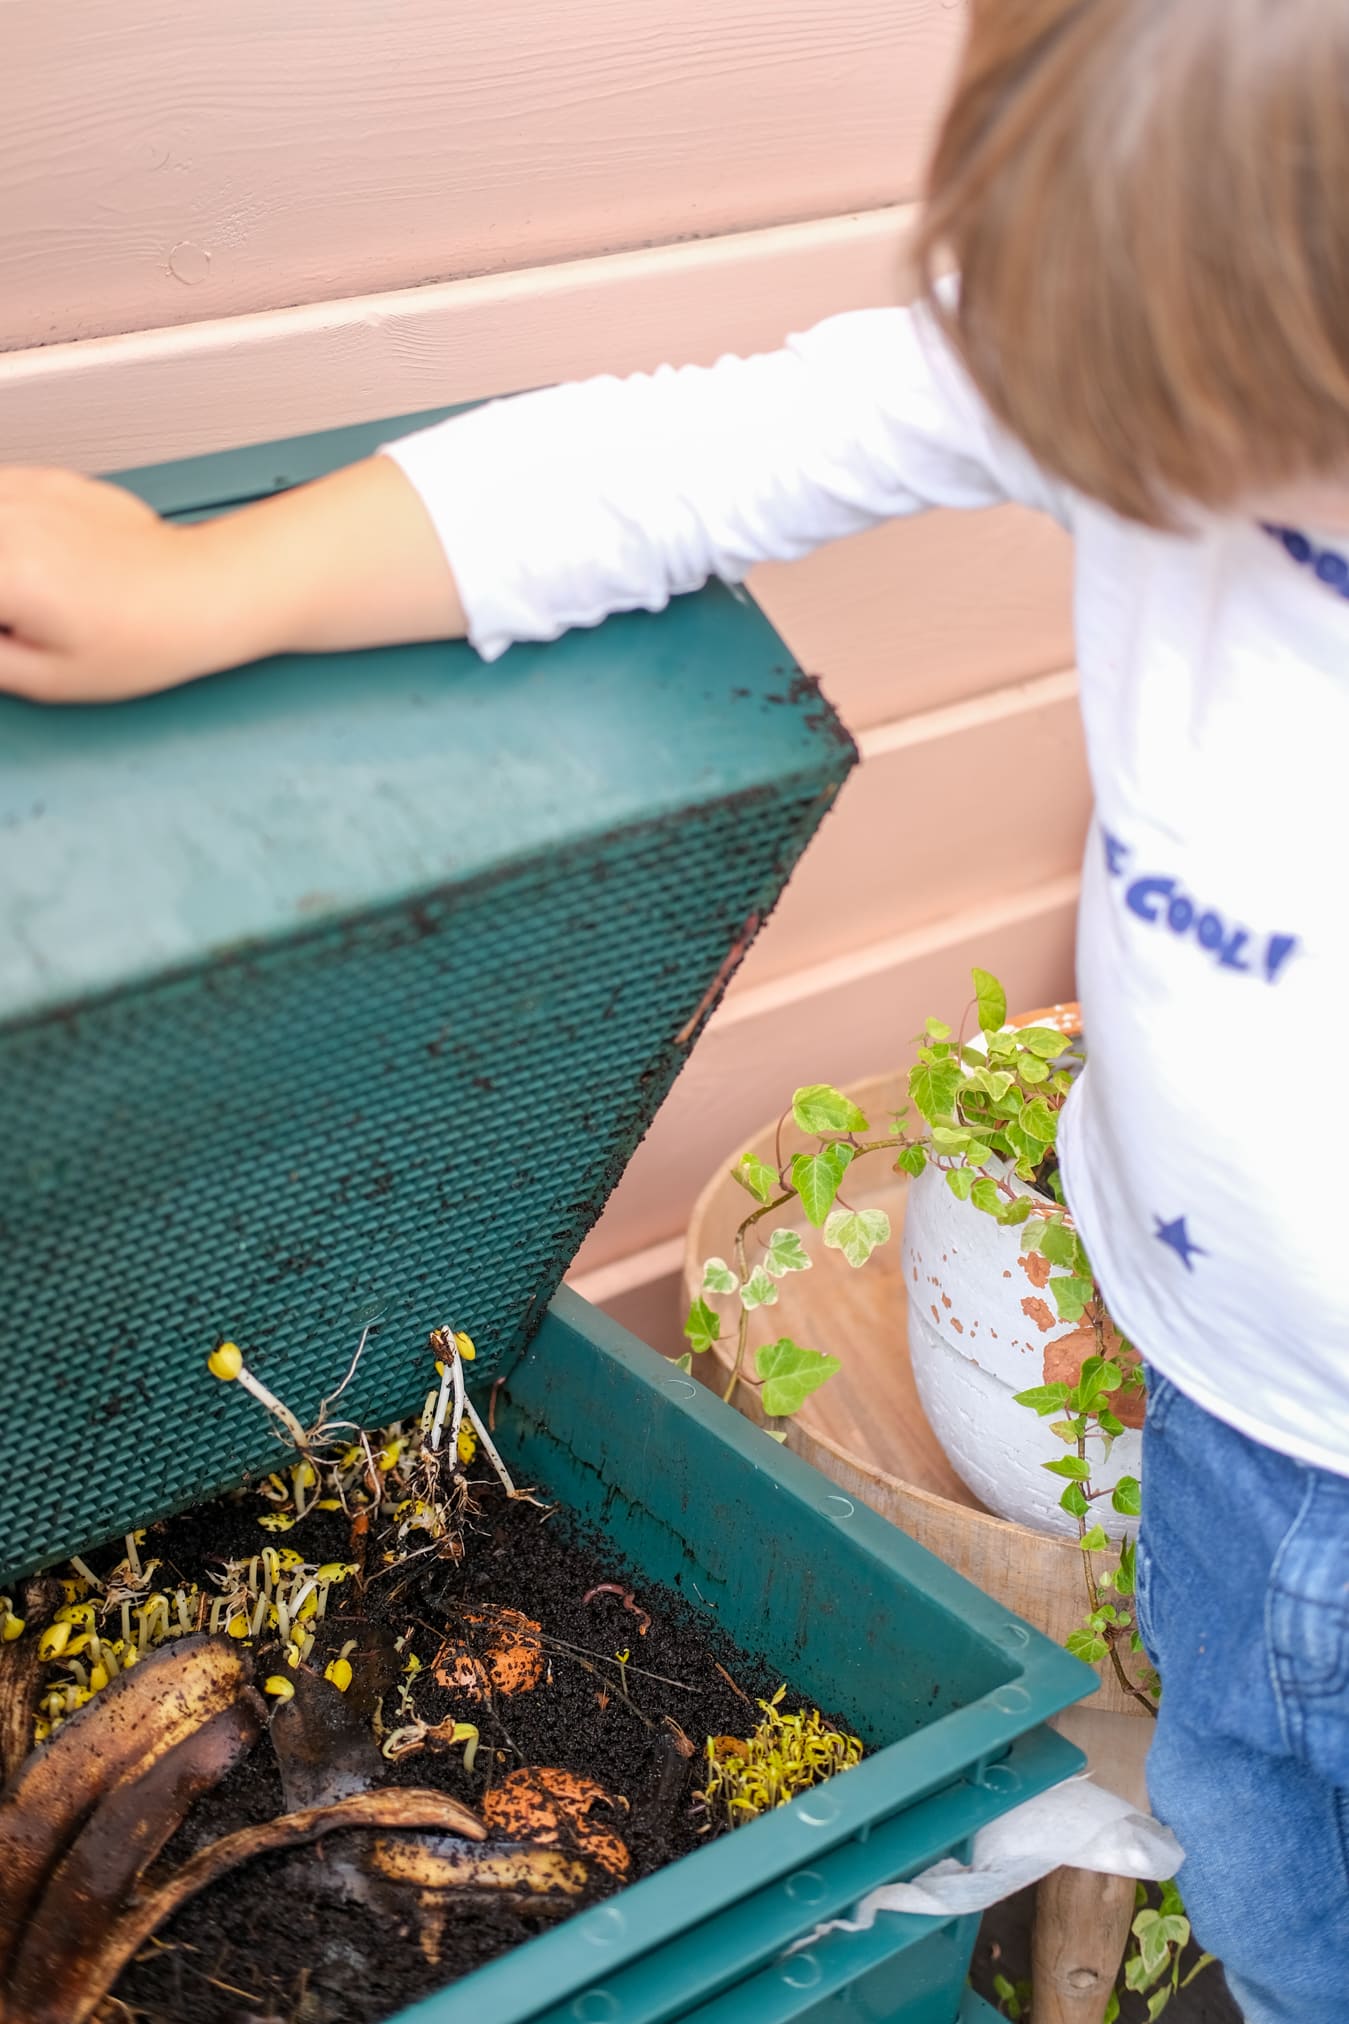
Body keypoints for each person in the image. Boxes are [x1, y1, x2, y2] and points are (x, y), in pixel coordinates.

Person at [2, 0, 1346, 2010]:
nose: (1161, 477)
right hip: (1230, 1407)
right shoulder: (1173, 290)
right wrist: (228, 584)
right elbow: (699, 452)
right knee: (1259, 1835)